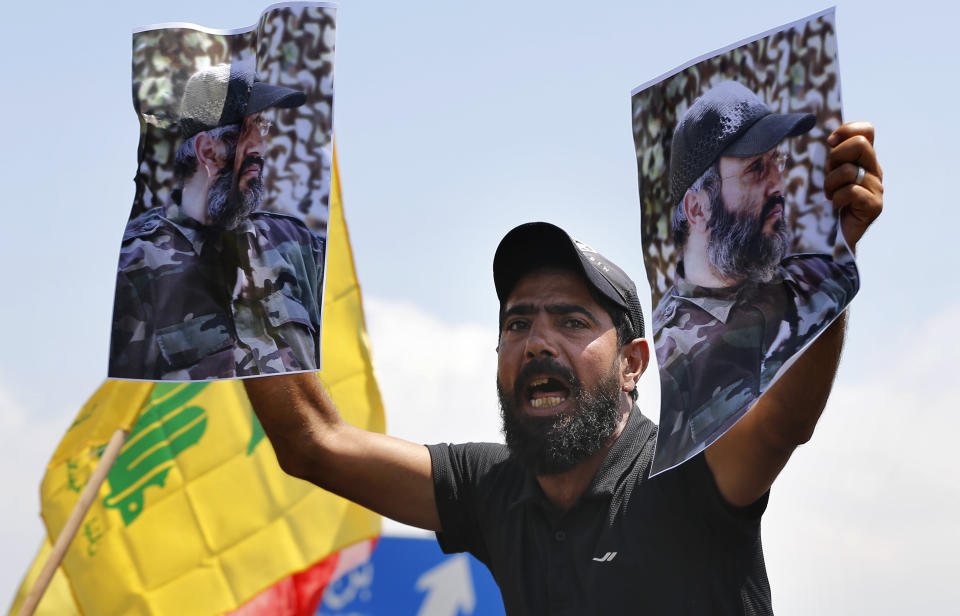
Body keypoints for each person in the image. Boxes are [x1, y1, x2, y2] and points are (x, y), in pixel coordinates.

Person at [244, 121, 882, 614]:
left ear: (634, 364)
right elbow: (312, 443)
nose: (537, 342)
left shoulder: (687, 473)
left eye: (572, 322)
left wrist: (828, 256)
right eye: (517, 323)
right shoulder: (493, 492)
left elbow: (782, 424)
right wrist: (243, 273)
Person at [651, 80, 861, 472]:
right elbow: (776, 434)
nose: (778, 185)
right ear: (698, 208)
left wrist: (846, 242)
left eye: (777, 163)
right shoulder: (671, 348)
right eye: (756, 169)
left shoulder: (811, 276)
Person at [110, 63, 326, 380]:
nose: (261, 148)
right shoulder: (135, 265)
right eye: (248, 131)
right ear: (208, 151)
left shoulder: (298, 244)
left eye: (264, 128)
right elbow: (128, 397)